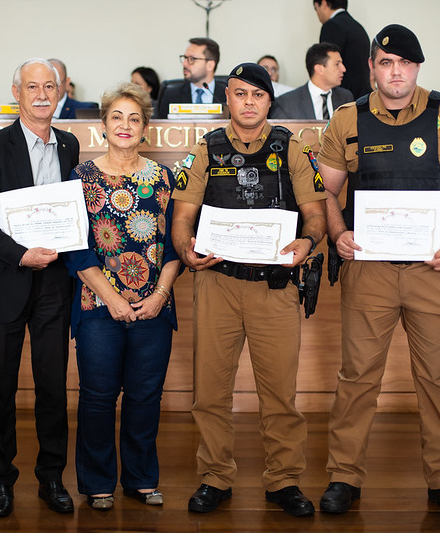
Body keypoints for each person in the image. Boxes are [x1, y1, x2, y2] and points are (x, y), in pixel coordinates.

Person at [317, 24, 440, 519]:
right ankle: (344, 477)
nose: (396, 73)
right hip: (368, 272)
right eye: (386, 63)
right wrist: (337, 234)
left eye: (406, 64)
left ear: (417, 68)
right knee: (356, 377)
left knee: (438, 377)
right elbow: (326, 190)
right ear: (371, 67)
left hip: (434, 271)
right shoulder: (346, 119)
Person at [171, 63, 327, 516]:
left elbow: (315, 213)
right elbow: (182, 218)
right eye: (240, 94)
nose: (249, 102)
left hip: (273, 288)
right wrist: (185, 249)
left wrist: (308, 240)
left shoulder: (292, 149)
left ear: (268, 101)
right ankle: (215, 478)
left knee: (279, 393)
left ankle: (283, 481)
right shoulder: (206, 150)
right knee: (209, 392)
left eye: (257, 95)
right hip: (217, 283)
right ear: (229, 100)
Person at [0, 58, 80, 517]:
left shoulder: (69, 144)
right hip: (4, 283)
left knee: (53, 386)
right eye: (32, 86)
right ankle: (1, 480)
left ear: (61, 91)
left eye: (49, 86)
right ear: (17, 92)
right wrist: (19, 254)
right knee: (0, 388)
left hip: (55, 286)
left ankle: (51, 477)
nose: (42, 94)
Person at [64, 83, 181, 511]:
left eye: (134, 118)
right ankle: (97, 483)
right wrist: (112, 298)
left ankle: (140, 479)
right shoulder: (80, 178)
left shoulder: (164, 179)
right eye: (117, 117)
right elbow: (77, 249)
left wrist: (160, 295)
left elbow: (174, 246)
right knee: (97, 397)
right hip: (97, 307)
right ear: (103, 126)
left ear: (146, 128)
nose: (125, 125)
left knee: (145, 396)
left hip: (154, 306)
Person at [270, 43, 353, 120]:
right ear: (319, 69)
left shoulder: (345, 98)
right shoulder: (286, 103)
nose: (343, 69)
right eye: (337, 64)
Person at [155, 37, 226, 119]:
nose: (185, 64)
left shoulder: (228, 95)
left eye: (192, 59)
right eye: (185, 58)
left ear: (210, 65)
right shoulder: (171, 95)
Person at [313, 0, 371, 98]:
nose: (318, 15)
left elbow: (327, 65)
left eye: (316, 9)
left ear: (323, 3)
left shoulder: (332, 26)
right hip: (362, 96)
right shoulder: (357, 27)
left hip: (343, 99)